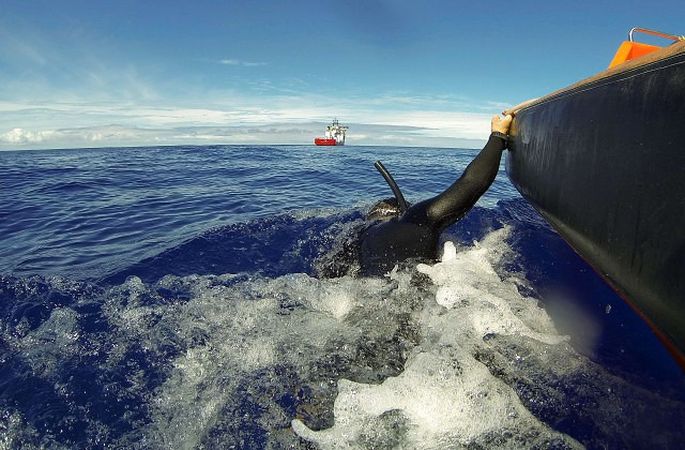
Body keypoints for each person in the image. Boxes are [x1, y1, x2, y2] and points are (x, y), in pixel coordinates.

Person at [357, 113, 513, 276]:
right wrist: (498, 135)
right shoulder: (413, 220)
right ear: (401, 213)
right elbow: (471, 184)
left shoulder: (358, 238)